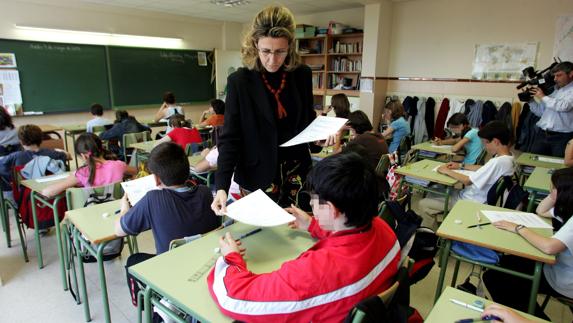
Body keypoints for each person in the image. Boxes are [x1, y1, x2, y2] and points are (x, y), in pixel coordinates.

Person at [208, 152, 401, 322]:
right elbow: (351, 241)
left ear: (331, 209)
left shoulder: (315, 273)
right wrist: (312, 225)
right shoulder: (384, 229)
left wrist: (231, 259)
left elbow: (234, 299)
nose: (310, 204)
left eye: (314, 201)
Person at [212, 5, 324, 214]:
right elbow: (230, 138)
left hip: (297, 172)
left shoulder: (301, 75)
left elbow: (308, 122)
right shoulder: (240, 82)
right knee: (261, 237)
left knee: (298, 233)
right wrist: (221, 186)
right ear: (255, 45)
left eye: (280, 51)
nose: (273, 60)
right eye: (266, 51)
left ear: (290, 46)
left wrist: (321, 137)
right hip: (257, 174)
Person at [483, 167, 573, 320]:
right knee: (503, 264)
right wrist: (554, 195)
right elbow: (541, 210)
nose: (550, 190)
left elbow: (549, 247)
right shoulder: (568, 206)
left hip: (562, 279)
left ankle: (532, 319)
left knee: (495, 279)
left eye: (553, 188)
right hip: (556, 266)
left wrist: (518, 228)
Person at [115, 142, 220, 254]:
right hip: (205, 259)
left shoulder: (152, 199)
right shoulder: (205, 192)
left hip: (170, 265)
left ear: (156, 180)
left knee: (134, 259)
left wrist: (124, 209)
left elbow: (119, 231)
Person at [418, 121, 515, 218]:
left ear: (496, 142)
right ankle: (444, 220)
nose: (485, 147)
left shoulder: (497, 162)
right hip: (472, 197)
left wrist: (446, 170)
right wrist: (460, 165)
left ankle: (441, 229)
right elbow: (484, 168)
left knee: (423, 203)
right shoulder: (508, 158)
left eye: (485, 143)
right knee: (434, 190)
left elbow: (467, 181)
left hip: (469, 202)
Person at [40, 133, 136, 197]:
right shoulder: (119, 165)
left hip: (91, 211)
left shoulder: (82, 173)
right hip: (117, 207)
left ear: (83, 156)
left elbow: (48, 192)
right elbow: (137, 171)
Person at [528, 61, 573, 157]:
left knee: (558, 168)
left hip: (562, 137)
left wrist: (542, 96)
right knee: (534, 163)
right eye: (554, 76)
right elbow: (541, 112)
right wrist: (530, 100)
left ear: (571, 74)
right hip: (542, 134)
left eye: (559, 75)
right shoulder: (556, 91)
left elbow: (564, 106)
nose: (555, 79)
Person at [0, 125, 70, 186]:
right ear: (41, 139)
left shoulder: (16, 156)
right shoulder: (52, 153)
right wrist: (56, 149)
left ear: (21, 141)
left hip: (24, 193)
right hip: (50, 189)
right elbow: (68, 155)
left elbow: (2, 165)